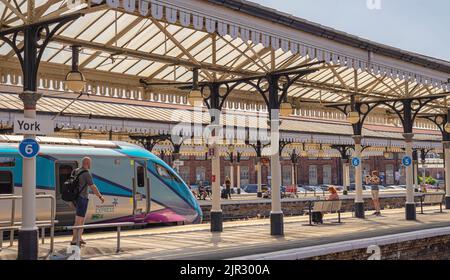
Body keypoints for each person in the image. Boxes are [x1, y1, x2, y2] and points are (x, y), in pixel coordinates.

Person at [71, 157, 105, 246]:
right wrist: (100, 196)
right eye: (90, 163)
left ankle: (80, 237)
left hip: (76, 198)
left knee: (81, 220)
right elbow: (92, 186)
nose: (90, 165)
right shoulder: (86, 173)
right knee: (79, 220)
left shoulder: (75, 171)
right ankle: (74, 240)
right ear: (87, 163)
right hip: (82, 198)